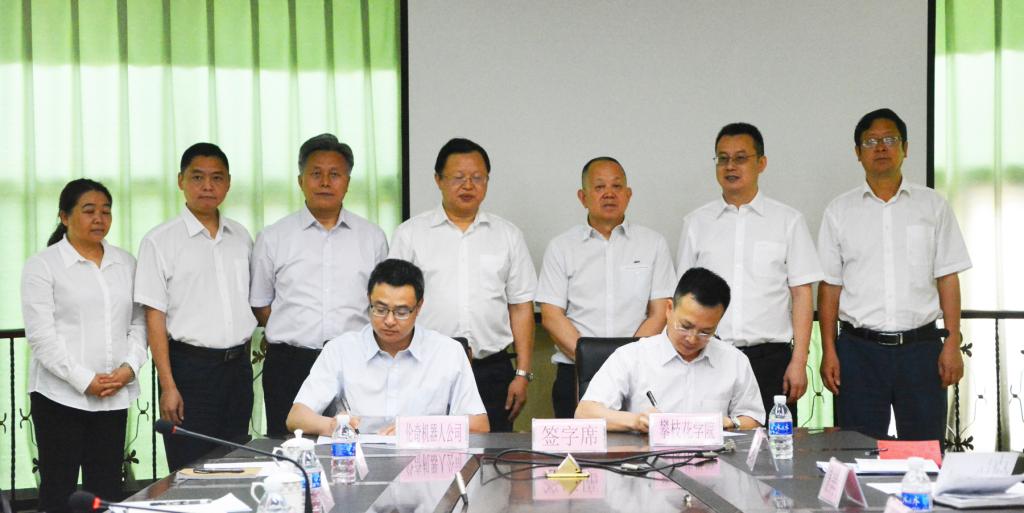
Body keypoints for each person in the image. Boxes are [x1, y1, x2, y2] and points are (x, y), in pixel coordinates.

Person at [818, 108, 971, 441]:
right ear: (858, 152)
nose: (880, 147)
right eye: (870, 141)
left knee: (925, 450)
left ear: (906, 148)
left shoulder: (933, 206)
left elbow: (948, 278)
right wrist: (829, 350)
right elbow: (829, 287)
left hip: (921, 349)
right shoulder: (839, 211)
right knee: (857, 451)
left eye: (889, 139)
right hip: (859, 351)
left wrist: (952, 342)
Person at [389, 138, 536, 432]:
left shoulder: (508, 235)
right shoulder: (411, 234)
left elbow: (520, 306)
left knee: (492, 453)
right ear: (438, 180)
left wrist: (522, 373)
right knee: (423, 448)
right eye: (458, 177)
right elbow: (395, 304)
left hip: (491, 368)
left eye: (477, 178)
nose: (468, 185)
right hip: (426, 366)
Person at [676, 123, 822, 419]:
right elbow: (683, 298)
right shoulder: (696, 223)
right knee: (710, 440)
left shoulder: (788, 221)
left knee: (774, 443)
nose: (730, 166)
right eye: (722, 158)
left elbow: (802, 295)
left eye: (740, 158)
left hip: (770, 359)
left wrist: (799, 361)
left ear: (761, 163)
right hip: (709, 355)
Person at [21, 179, 147, 513]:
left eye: (106, 211)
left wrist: (129, 368)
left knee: (105, 490)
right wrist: (84, 379)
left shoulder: (126, 263)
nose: (99, 219)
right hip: (60, 397)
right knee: (59, 490)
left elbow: (139, 322)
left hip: (113, 395)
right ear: (64, 217)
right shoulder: (42, 265)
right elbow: (41, 337)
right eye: (89, 211)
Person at [250, 134, 388, 436]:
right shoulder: (274, 237)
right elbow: (260, 303)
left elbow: (382, 303)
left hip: (356, 362)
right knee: (288, 448)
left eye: (335, 174)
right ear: (301, 181)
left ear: (347, 182)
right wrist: (296, 331)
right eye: (316, 173)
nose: (325, 182)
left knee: (358, 444)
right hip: (290, 365)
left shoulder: (372, 238)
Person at [134, 143, 257, 470]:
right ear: (181, 181)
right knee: (190, 469)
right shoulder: (160, 241)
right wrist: (168, 385)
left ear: (228, 183)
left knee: (236, 464)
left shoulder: (241, 237)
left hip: (237, 369)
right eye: (197, 177)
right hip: (190, 371)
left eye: (217, 178)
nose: (207, 186)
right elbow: (154, 317)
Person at [536, 156, 675, 418]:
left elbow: (660, 313)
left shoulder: (653, 244)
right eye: (599, 187)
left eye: (617, 186)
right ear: (583, 197)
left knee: (640, 441)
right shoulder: (561, 247)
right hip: (575, 372)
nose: (609, 194)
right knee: (576, 444)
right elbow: (552, 316)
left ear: (628, 194)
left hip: (638, 375)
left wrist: (627, 361)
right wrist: (589, 358)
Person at [286, 259, 489, 435]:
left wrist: (417, 430)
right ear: (369, 300)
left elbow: (479, 425)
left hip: (424, 461)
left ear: (419, 307)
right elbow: (296, 417)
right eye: (380, 309)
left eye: (401, 312)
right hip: (357, 460)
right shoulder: (340, 350)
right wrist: (332, 426)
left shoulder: (448, 352)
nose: (389, 321)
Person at [575, 267, 764, 432]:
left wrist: (730, 423)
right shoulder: (632, 357)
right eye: (685, 326)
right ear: (669, 309)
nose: (692, 339)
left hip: (713, 459)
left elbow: (754, 420)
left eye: (705, 332)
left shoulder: (734, 361)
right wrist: (636, 421)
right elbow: (584, 413)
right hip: (647, 459)